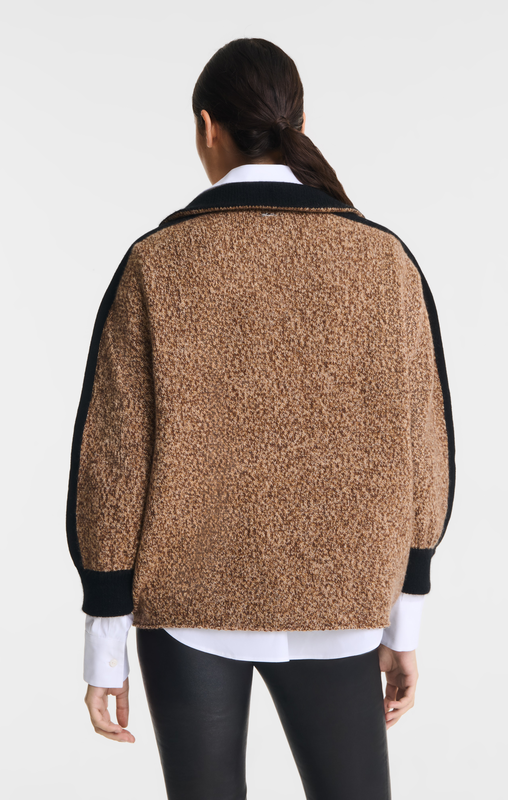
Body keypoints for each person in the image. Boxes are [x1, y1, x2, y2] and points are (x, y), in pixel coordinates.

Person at [66, 37, 455, 800]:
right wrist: (405, 614)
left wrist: (104, 640)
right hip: (344, 595)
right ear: (299, 123)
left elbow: (113, 459)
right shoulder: (385, 262)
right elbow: (426, 448)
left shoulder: (157, 262)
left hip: (188, 599)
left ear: (207, 127)